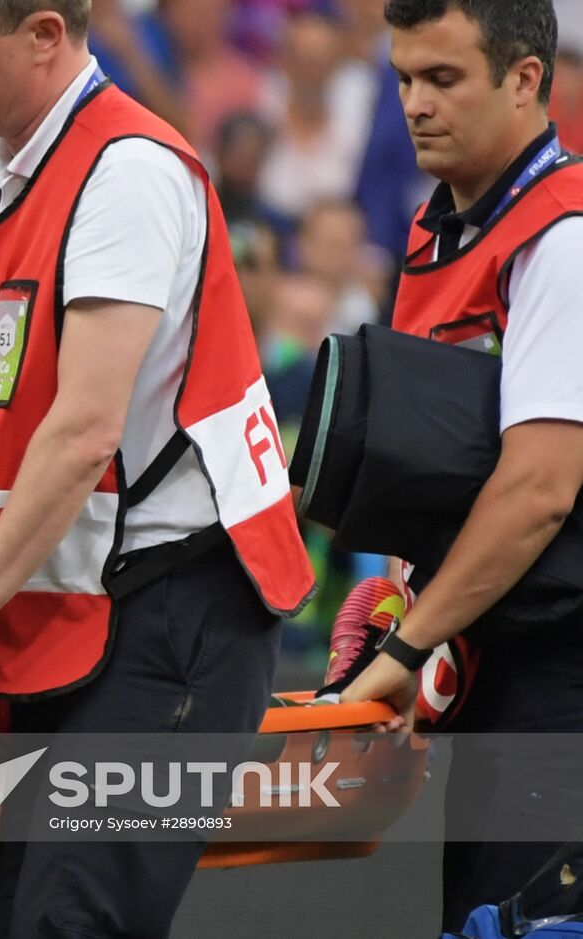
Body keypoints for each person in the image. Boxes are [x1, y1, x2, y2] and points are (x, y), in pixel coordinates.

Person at [0, 2, 315, 937]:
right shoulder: (7, 167)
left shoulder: (128, 173)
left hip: (181, 612)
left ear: (44, 34)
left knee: (71, 924)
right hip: (88, 614)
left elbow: (81, 430)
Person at [338, 0, 583, 931]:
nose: (414, 104)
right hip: (494, 666)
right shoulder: (440, 235)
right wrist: (403, 599)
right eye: (403, 79)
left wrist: (409, 645)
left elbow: (538, 492)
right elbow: (440, 472)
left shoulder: (562, 238)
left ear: (525, 79)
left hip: (562, 675)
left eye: (442, 79)